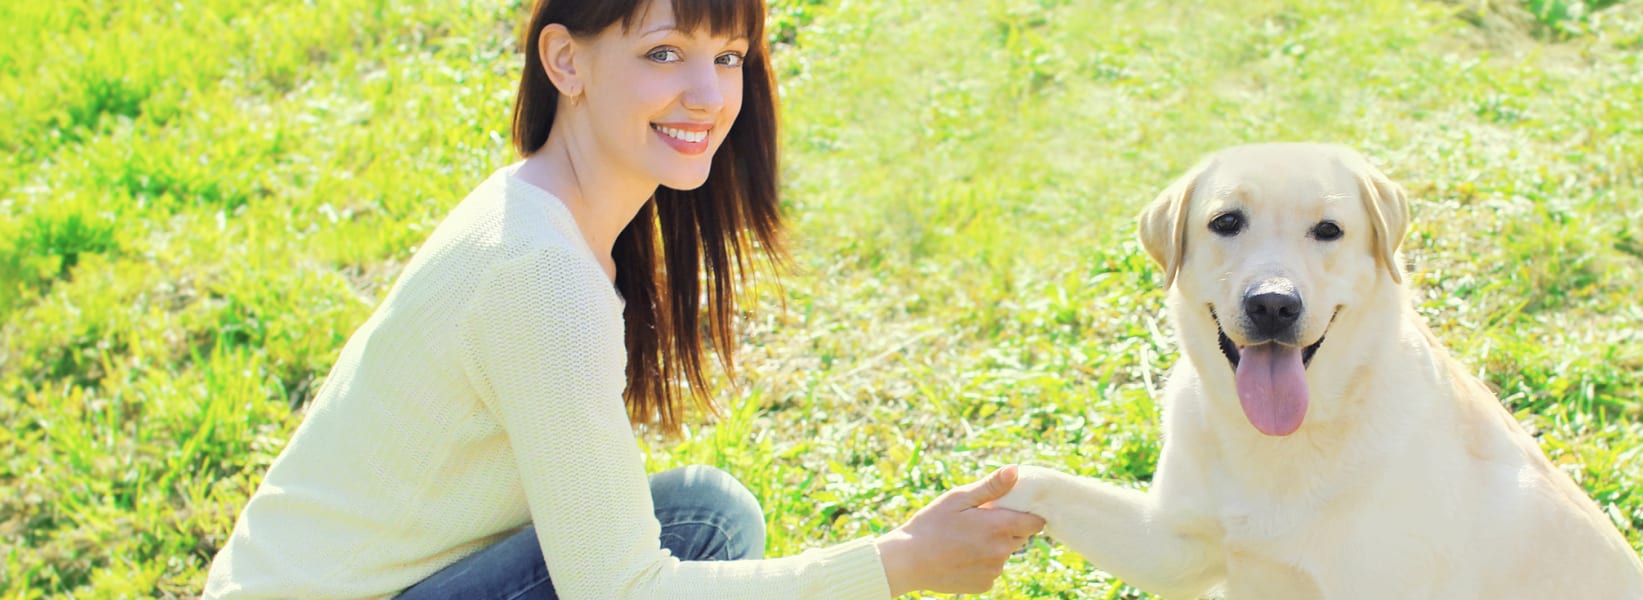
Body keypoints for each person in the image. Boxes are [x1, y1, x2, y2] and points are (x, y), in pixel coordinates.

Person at [199, 0, 1044, 597]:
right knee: (704, 529)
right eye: (665, 53)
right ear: (566, 60)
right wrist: (899, 563)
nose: (709, 97)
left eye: (728, 56)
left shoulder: (540, 218)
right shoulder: (537, 274)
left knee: (701, 517)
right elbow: (623, 590)